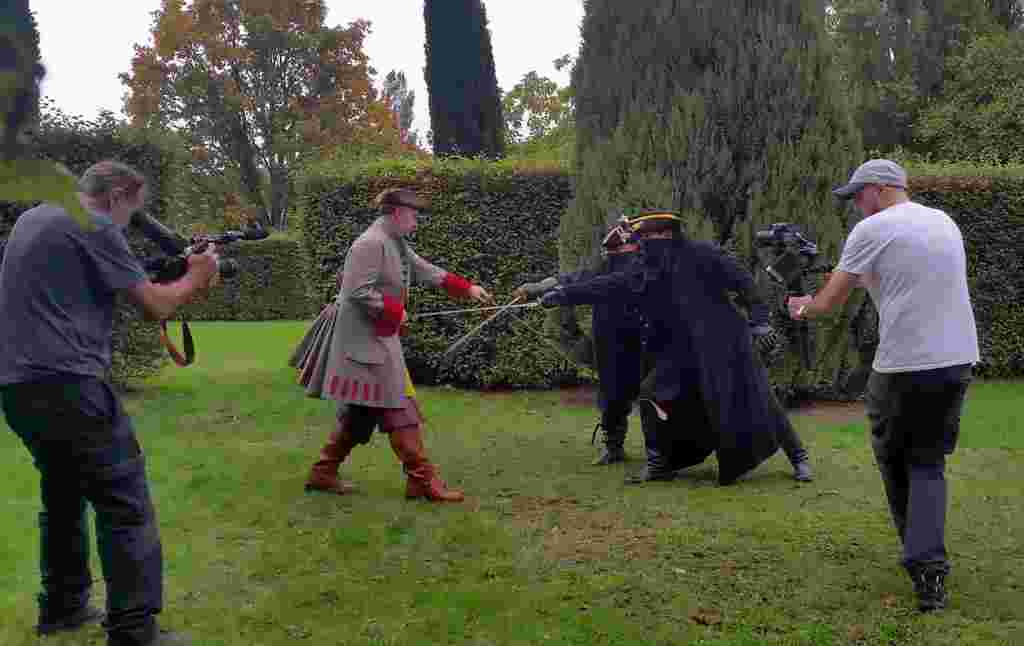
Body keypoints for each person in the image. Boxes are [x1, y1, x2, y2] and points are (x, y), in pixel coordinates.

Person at [0, 161, 220, 645]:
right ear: (119, 194)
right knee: (126, 504)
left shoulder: (36, 217)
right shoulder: (95, 223)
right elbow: (155, 306)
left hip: (17, 386)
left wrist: (167, 270)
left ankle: (62, 608)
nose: (129, 222)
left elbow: (83, 286)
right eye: (133, 212)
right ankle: (135, 631)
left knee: (62, 495)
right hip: (70, 385)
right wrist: (197, 276)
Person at [786, 159, 978, 612]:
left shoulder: (871, 230)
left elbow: (829, 303)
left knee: (895, 458)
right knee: (928, 461)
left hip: (905, 365)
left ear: (877, 189)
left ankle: (923, 560)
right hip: (958, 359)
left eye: (857, 194)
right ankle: (927, 564)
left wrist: (801, 308)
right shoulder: (943, 222)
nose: (855, 204)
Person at [539, 211, 812, 485]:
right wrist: (563, 295)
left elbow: (744, 284)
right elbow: (609, 285)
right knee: (650, 393)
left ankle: (799, 457)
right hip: (680, 348)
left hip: (724, 341)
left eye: (648, 235)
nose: (643, 242)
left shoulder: (704, 254)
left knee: (761, 398)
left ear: (667, 234)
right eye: (641, 237)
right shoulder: (646, 267)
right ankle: (660, 463)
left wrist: (760, 322)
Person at [300, 188, 493, 502]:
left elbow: (422, 268)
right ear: (396, 213)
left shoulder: (393, 241)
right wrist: (395, 310)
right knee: (397, 403)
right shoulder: (370, 243)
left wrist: (467, 288)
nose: (416, 222)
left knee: (362, 410)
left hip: (376, 336)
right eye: (413, 216)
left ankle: (323, 472)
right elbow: (355, 291)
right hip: (363, 339)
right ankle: (422, 479)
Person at [514, 215, 650, 466]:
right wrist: (540, 286)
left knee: (654, 396)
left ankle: (661, 453)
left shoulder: (639, 268)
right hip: (610, 341)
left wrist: (562, 295)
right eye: (612, 251)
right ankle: (614, 447)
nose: (614, 255)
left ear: (633, 246)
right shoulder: (610, 264)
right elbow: (579, 277)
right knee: (612, 397)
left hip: (643, 339)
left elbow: (598, 286)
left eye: (618, 249)